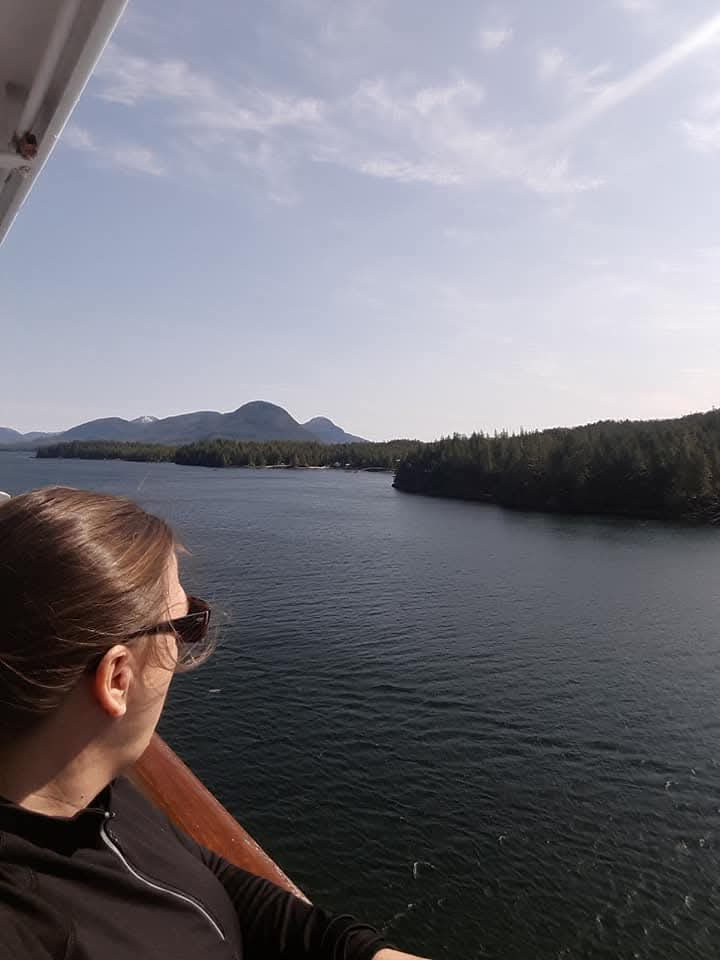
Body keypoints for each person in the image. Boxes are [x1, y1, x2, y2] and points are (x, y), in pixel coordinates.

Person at [0, 487, 428, 960]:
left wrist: (361, 952)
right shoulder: (26, 929)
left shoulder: (91, 791)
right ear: (117, 678)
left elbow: (204, 875)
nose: (183, 652)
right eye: (184, 626)